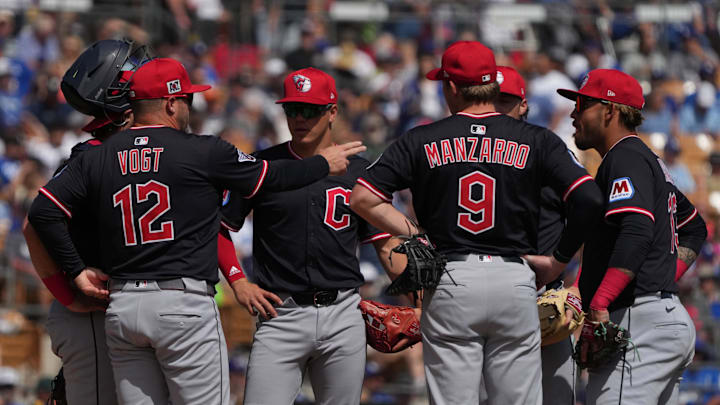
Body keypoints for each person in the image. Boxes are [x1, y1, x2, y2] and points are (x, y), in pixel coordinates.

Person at [27, 57, 365, 405]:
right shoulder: (202, 150)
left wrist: (77, 272)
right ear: (171, 102)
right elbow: (274, 176)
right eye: (188, 98)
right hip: (182, 304)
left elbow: (41, 212)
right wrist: (324, 164)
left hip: (124, 306)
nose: (191, 105)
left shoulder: (98, 154)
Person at [350, 40, 603, 405]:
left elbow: (363, 198)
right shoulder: (537, 140)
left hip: (452, 279)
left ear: (452, 87)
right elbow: (590, 198)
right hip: (515, 279)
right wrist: (558, 261)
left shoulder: (421, 138)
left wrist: (416, 235)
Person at [219, 67, 401, 405]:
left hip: (343, 312)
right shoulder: (262, 166)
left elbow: (385, 243)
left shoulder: (359, 171)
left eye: (310, 110)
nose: (300, 119)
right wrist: (238, 281)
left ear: (332, 112)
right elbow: (220, 227)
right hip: (280, 314)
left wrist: (418, 301)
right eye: (293, 110)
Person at [557, 68, 707, 404]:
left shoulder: (625, 157)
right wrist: (662, 280)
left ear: (610, 110)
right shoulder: (645, 160)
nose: (573, 113)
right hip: (662, 317)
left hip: (640, 323)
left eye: (582, 104)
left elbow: (637, 233)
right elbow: (694, 227)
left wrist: (600, 301)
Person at [23, 39, 150, 405]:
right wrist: (70, 293)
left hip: (125, 312)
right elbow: (35, 224)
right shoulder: (91, 156)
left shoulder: (140, 152)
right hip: (94, 316)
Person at [494, 65, 578, 405]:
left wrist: (564, 271)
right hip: (492, 296)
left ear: (524, 105)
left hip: (545, 297)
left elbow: (590, 211)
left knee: (558, 397)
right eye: (491, 101)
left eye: (506, 101)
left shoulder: (549, 151)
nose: (497, 109)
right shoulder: (465, 152)